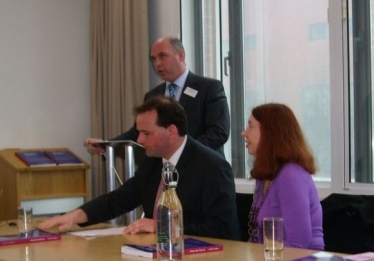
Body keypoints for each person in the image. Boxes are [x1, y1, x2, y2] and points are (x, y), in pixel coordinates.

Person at [39, 96, 240, 240]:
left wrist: (162, 225)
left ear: (171, 131)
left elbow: (221, 229)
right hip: (159, 255)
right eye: (139, 132)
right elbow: (121, 198)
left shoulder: (212, 166)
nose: (139, 139)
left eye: (146, 133)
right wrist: (77, 215)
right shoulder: (151, 161)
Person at [85, 36, 230, 157]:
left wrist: (182, 153)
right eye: (153, 59)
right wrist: (107, 145)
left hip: (202, 171)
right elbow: (137, 133)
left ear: (180, 55)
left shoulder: (209, 88)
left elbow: (218, 132)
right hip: (163, 174)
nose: (157, 64)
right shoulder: (153, 95)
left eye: (162, 56)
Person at [241, 103, 324, 250]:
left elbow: (298, 244)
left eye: (250, 126)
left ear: (269, 133)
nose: (244, 133)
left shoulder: (291, 176)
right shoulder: (265, 175)